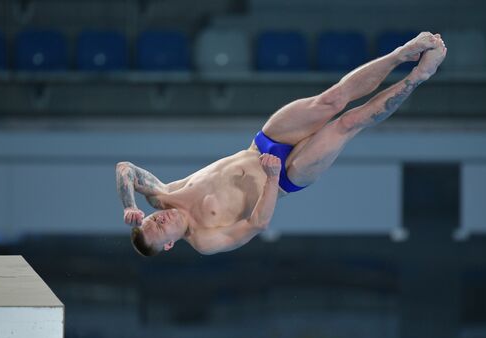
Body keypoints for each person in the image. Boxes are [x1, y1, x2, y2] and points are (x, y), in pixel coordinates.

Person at [116, 32, 447, 256]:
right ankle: (417, 77)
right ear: (170, 244)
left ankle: (401, 54)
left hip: (262, 146)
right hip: (285, 176)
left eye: (152, 220)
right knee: (348, 123)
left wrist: (129, 203)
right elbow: (257, 224)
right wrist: (272, 179)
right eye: (161, 230)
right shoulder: (204, 239)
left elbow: (125, 169)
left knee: (331, 100)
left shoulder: (162, 195)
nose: (161, 221)